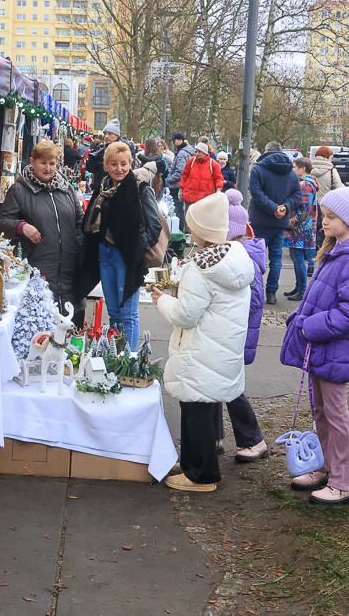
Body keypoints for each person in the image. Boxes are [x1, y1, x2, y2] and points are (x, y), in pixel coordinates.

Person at [279, 187, 349, 505]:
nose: (323, 222)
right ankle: (327, 467)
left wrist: (310, 326)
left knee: (336, 416)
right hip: (321, 349)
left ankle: (346, 481)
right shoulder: (334, 252)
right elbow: (321, 296)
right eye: (323, 216)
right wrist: (300, 316)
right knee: (322, 412)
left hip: (333, 350)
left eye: (330, 217)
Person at [152, 192, 255, 491]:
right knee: (204, 407)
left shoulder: (201, 269)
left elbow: (185, 316)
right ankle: (192, 461)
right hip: (219, 348)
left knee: (195, 409)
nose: (189, 232)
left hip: (201, 349)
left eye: (193, 227)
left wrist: (162, 301)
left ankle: (202, 474)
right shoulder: (234, 259)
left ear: (203, 232)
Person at [80, 141, 160, 351]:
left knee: (128, 313)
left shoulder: (140, 189)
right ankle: (117, 357)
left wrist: (136, 249)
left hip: (127, 258)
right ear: (106, 165)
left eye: (124, 163)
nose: (119, 168)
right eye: (114, 163)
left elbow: (155, 226)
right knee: (114, 312)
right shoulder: (102, 188)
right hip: (105, 255)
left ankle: (129, 360)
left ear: (131, 164)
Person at [210, 190, 269, 462]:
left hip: (234, 332)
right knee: (211, 382)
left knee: (230, 387)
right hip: (224, 330)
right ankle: (213, 436)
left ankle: (253, 440)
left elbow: (254, 299)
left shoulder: (243, 257)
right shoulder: (233, 252)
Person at [0, 141, 85, 315]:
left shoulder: (66, 189)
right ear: (32, 161)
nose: (48, 168)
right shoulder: (19, 190)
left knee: (71, 322)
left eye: (52, 163)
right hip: (38, 266)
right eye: (43, 163)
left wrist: (77, 244)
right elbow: (1, 221)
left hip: (70, 268)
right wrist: (22, 227)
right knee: (44, 321)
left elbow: (80, 221)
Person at [248, 141, 302, 305]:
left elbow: (256, 193)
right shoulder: (291, 173)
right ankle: (271, 293)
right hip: (280, 222)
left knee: (255, 258)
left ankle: (254, 290)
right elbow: (297, 195)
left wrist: (273, 208)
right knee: (276, 258)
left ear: (266, 151)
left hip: (260, 220)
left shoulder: (258, 169)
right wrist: (284, 208)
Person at [284, 158, 319, 302]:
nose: (292, 170)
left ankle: (302, 288)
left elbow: (304, 209)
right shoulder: (309, 184)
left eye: (294, 167)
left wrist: (292, 222)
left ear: (303, 168)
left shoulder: (305, 185)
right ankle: (299, 286)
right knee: (296, 258)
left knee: (298, 259)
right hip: (305, 228)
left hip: (300, 229)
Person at [165, 132, 195, 231]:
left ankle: (178, 230)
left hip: (176, 185)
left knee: (177, 210)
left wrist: (168, 180)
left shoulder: (181, 153)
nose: (173, 142)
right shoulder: (187, 152)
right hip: (183, 184)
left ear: (180, 140)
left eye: (174, 140)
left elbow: (179, 172)